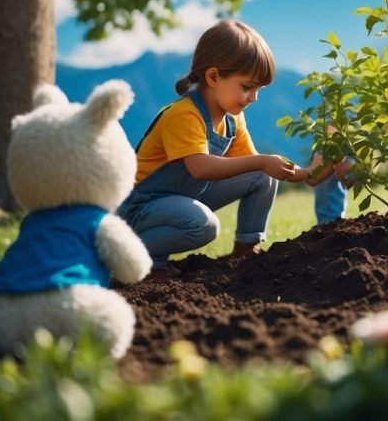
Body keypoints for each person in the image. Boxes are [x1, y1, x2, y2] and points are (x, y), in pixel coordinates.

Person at [117, 20, 307, 279]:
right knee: (203, 227)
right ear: (214, 77)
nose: (254, 98)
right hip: (140, 207)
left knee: (262, 175)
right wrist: (262, 161)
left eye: (259, 89)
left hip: (180, 199)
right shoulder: (184, 115)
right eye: (247, 87)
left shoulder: (232, 118)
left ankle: (246, 249)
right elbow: (201, 168)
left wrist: (308, 173)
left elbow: (257, 166)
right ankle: (136, 256)